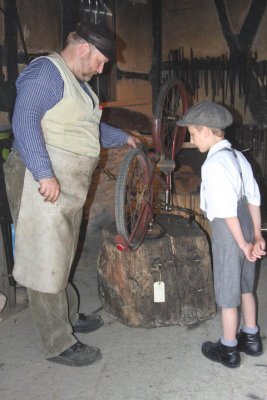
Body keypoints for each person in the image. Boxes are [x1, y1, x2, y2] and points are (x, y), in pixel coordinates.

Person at [3, 22, 140, 367]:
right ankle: (58, 341)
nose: (101, 67)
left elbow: (86, 128)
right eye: (100, 60)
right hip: (42, 178)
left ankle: (69, 313)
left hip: (64, 182)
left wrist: (123, 137)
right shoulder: (47, 73)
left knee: (61, 251)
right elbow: (24, 120)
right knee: (44, 257)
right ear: (83, 49)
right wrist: (44, 173)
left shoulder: (76, 84)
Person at [177, 101, 266, 368]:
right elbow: (253, 198)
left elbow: (227, 212)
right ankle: (251, 337)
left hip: (230, 232)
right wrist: (257, 237)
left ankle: (228, 349)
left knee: (228, 291)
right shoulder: (239, 157)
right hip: (248, 224)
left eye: (193, 134)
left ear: (206, 130)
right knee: (246, 286)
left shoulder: (214, 164)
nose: (192, 140)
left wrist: (243, 245)